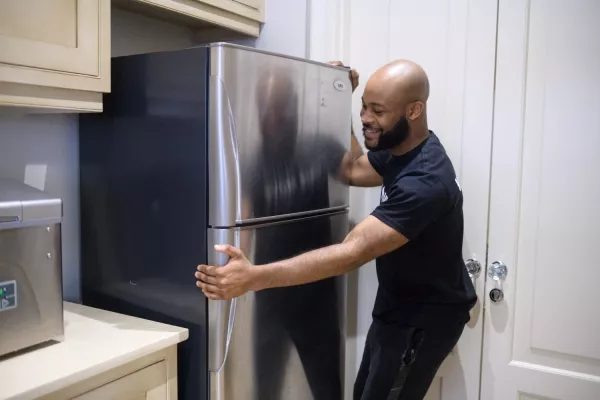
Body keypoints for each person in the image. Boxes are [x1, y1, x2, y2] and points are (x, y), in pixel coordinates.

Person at [196, 59, 477, 400]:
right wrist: (344, 96)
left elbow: (352, 251)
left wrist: (253, 277)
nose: (365, 118)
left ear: (414, 110)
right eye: (363, 108)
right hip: (396, 306)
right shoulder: (400, 150)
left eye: (378, 110)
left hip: (424, 319)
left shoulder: (426, 182)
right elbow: (354, 169)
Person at [242, 68, 348, 400]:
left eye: (280, 106)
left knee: (326, 389)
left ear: (294, 105)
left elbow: (362, 171)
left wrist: (344, 99)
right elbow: (242, 230)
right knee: (266, 390)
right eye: (265, 107)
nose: (273, 116)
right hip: (269, 297)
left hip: (318, 298)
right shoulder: (251, 164)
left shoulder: (319, 147)